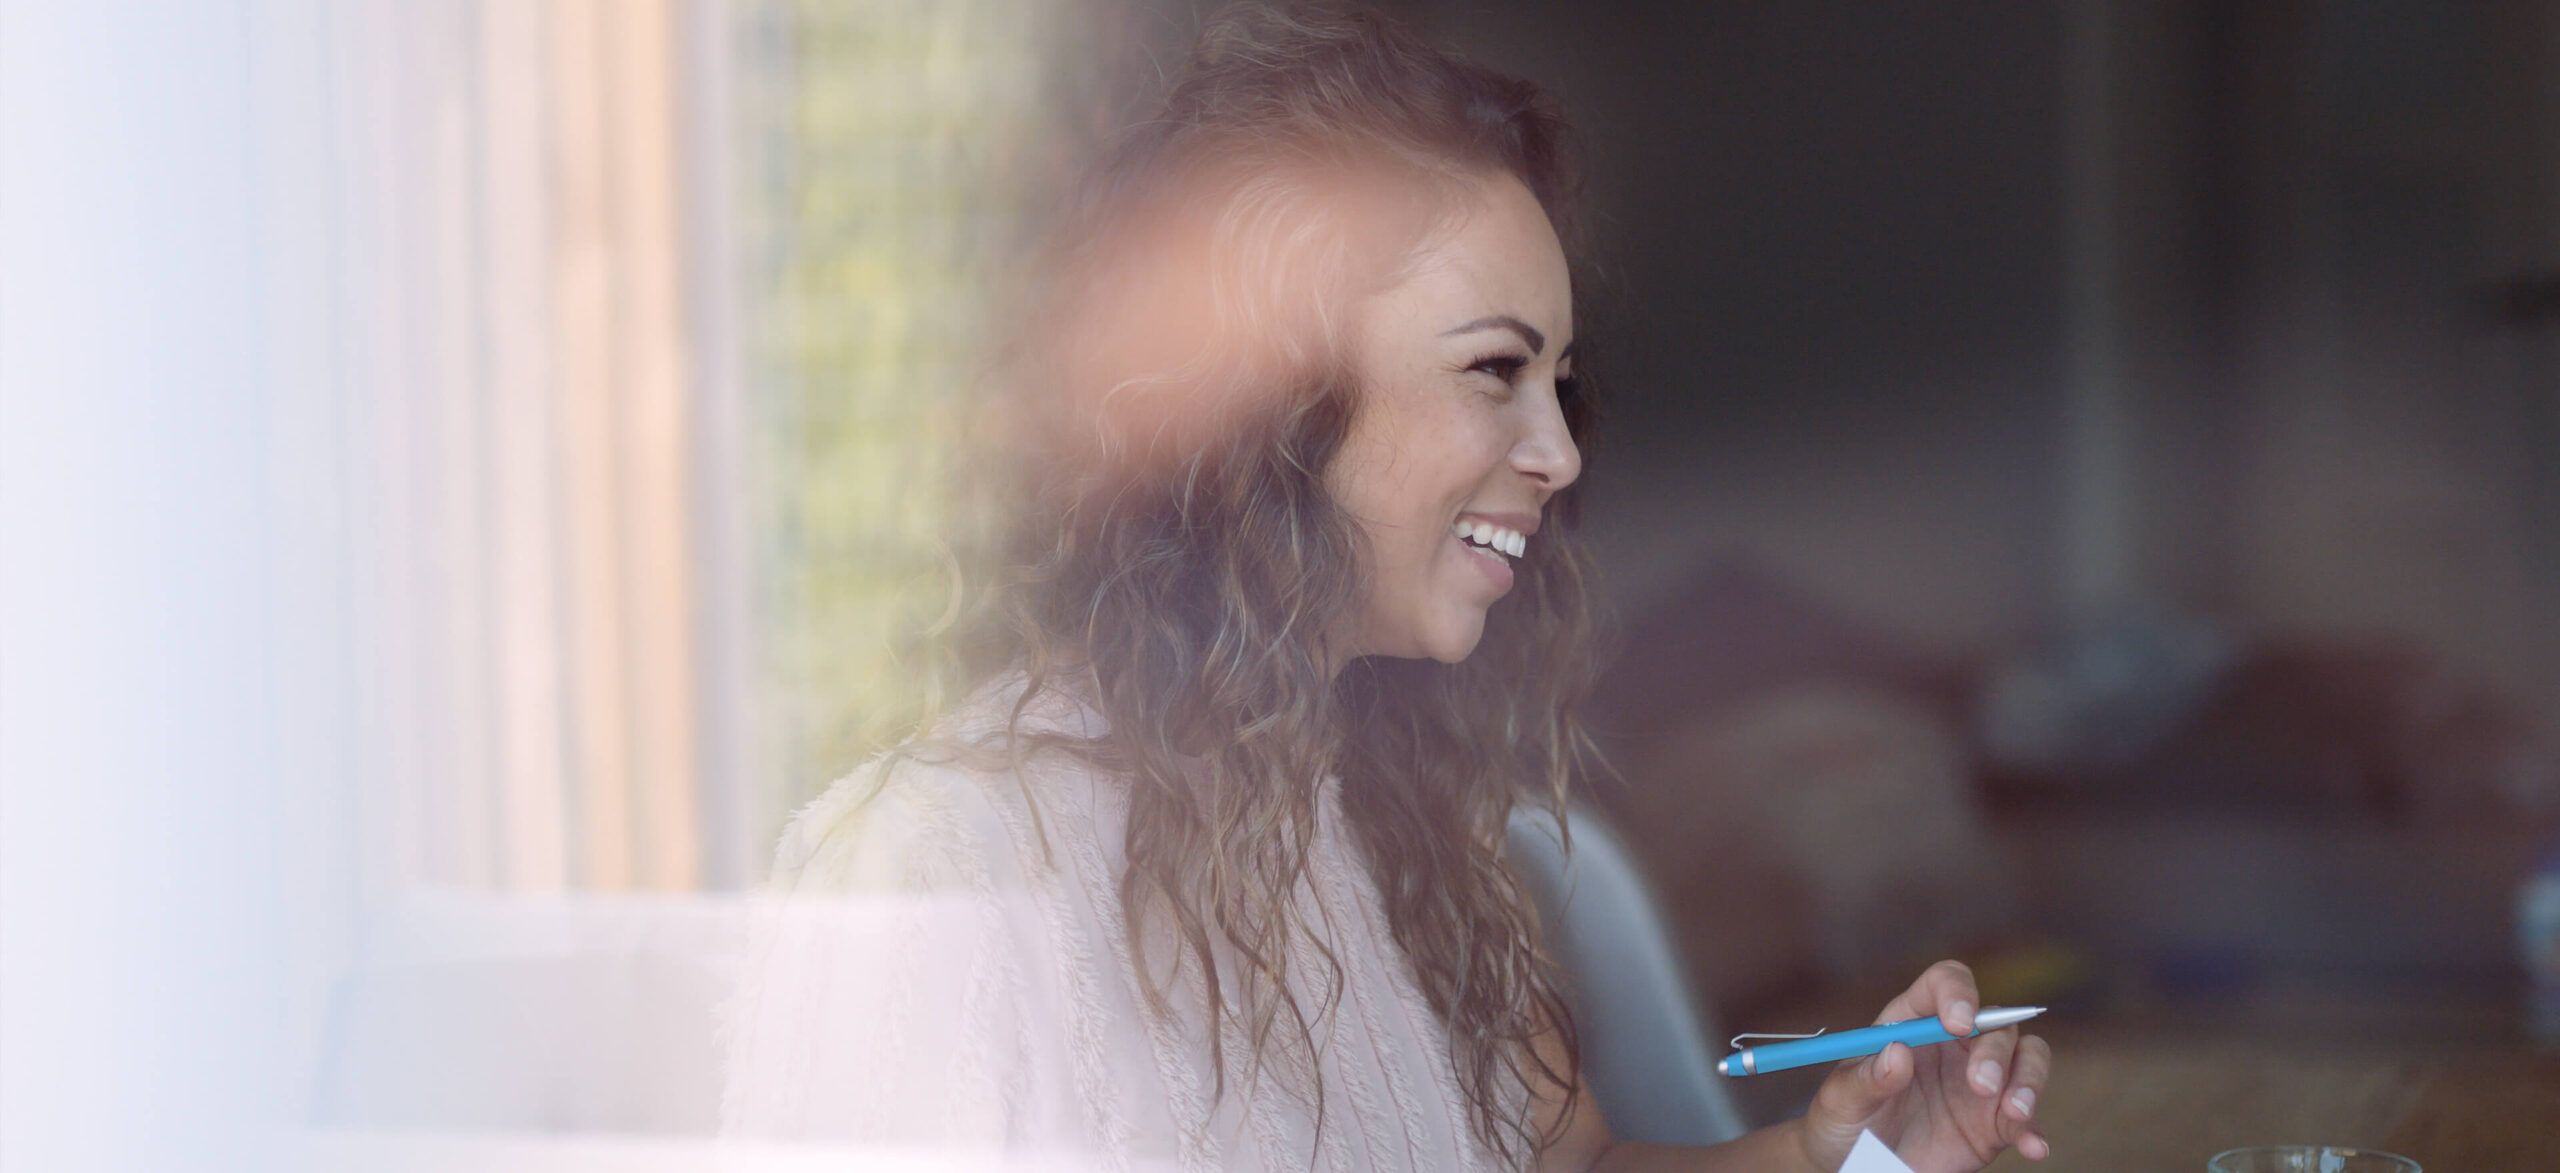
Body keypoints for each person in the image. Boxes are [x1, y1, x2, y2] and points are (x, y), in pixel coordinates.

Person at [716, 5, 2054, 1170]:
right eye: (1493, 370)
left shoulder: (1392, 808)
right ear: (1262, 407)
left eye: (1562, 380)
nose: (1561, 450)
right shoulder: (931, 874)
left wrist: (1870, 1158)